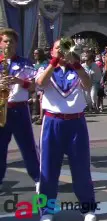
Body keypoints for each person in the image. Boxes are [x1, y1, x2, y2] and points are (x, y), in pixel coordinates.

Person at [35, 38, 97, 221]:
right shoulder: (45, 68)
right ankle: (46, 210)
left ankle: (88, 208)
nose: (61, 51)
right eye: (58, 48)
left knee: (81, 168)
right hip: (52, 123)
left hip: (76, 123)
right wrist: (54, 63)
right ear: (52, 52)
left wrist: (75, 62)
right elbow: (39, 83)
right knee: (48, 169)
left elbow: (87, 84)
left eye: (65, 47)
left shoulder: (78, 69)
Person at [0, 28, 40, 192]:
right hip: (2, 108)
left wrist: (18, 81)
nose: (8, 44)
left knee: (27, 146)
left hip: (19, 109)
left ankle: (38, 178)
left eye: (11, 41)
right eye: (5, 41)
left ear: (16, 44)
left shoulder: (25, 63)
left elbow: (33, 86)